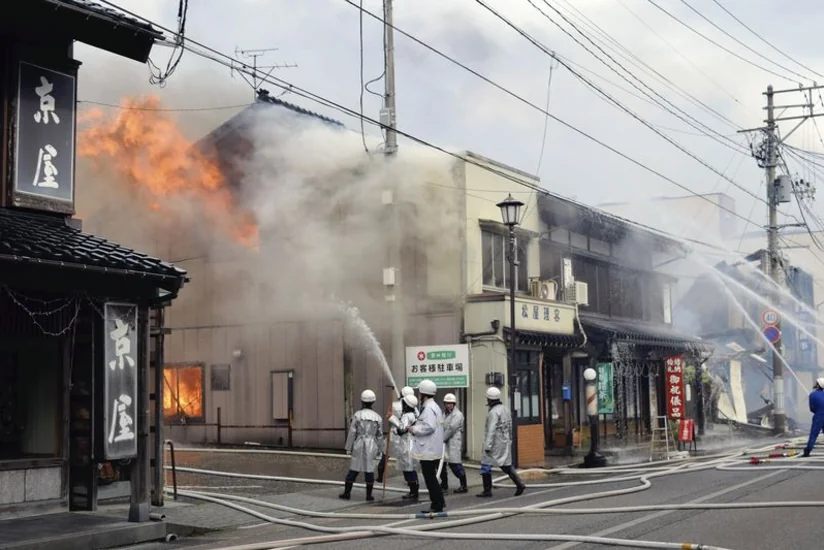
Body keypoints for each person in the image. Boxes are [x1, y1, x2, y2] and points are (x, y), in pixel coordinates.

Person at [477, 386, 526, 498]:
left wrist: (487, 446)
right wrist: (510, 440)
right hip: (504, 441)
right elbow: (510, 426)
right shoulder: (506, 409)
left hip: (494, 443)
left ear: (489, 399)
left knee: (486, 465)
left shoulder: (493, 412)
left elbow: (491, 430)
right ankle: (519, 483)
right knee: (506, 465)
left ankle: (487, 490)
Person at [340, 389, 384, 501]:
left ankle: (347, 493)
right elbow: (380, 435)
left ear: (362, 401)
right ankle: (369, 496)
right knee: (369, 469)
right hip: (372, 444)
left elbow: (352, 432)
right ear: (373, 402)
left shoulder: (357, 415)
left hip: (359, 443)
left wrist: (348, 447)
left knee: (354, 468)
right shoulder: (378, 417)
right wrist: (380, 449)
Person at [409, 379, 446, 513]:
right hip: (432, 448)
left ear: (423, 393)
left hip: (428, 449)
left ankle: (437, 505)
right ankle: (439, 502)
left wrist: (414, 429)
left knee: (430, 478)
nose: (418, 395)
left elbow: (429, 426)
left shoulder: (429, 408)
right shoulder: (434, 406)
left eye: (419, 392)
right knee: (431, 477)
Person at [388, 394, 420, 500]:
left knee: (407, 469)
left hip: (407, 444)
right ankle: (415, 490)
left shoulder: (407, 416)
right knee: (411, 468)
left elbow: (402, 428)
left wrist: (391, 418)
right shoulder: (415, 414)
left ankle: (413, 491)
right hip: (413, 443)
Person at [439, 393, 467, 493]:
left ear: (454, 404)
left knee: (455, 464)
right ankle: (444, 484)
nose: (448, 405)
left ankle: (463, 485)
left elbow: (451, 429)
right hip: (444, 441)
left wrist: (441, 439)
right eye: (446, 403)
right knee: (441, 464)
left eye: (450, 403)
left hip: (453, 441)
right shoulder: (444, 414)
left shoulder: (457, 415)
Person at [803, 377, 824, 457]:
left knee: (814, 434)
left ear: (818, 385)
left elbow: (812, 408)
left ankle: (807, 451)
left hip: (818, 416)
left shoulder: (812, 395)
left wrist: (818, 412)